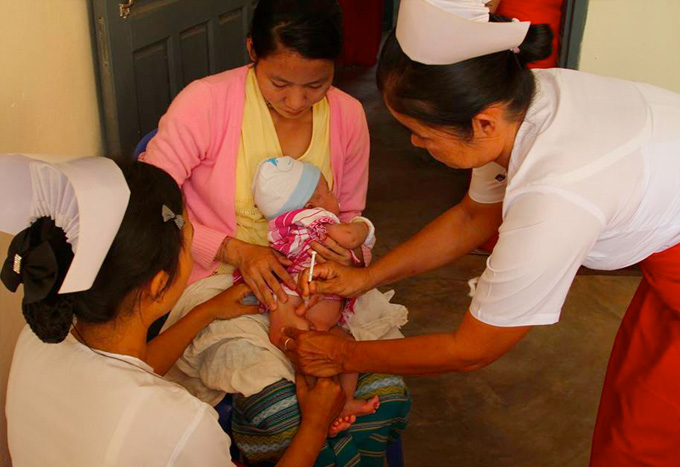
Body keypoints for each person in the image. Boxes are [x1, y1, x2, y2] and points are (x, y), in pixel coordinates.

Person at [285, 0, 680, 464]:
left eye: (421, 133)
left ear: (480, 123)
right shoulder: (518, 108)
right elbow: (472, 217)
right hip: (676, 267)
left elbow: (472, 349)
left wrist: (345, 355)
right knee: (633, 394)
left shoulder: (555, 195)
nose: (414, 144)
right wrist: (367, 278)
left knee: (649, 442)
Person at [139, 0, 410, 463]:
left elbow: (353, 214)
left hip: (318, 287)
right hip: (224, 287)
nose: (296, 101)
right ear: (251, 52)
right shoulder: (206, 102)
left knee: (386, 399)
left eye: (316, 85)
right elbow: (148, 204)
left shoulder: (347, 115)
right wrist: (234, 249)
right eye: (279, 83)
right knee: (281, 414)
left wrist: (346, 248)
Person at [1, 156, 347, 467]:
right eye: (184, 227)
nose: (191, 231)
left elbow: (122, 374)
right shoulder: (178, 421)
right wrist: (315, 425)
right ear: (158, 285)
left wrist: (206, 312)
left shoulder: (39, 336)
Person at [253, 156, 380, 433]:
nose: (335, 197)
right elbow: (348, 237)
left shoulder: (283, 227)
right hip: (306, 306)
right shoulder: (315, 220)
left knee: (321, 356)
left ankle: (333, 404)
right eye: (328, 191)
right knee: (338, 354)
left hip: (295, 310)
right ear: (311, 204)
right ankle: (333, 403)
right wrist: (363, 227)